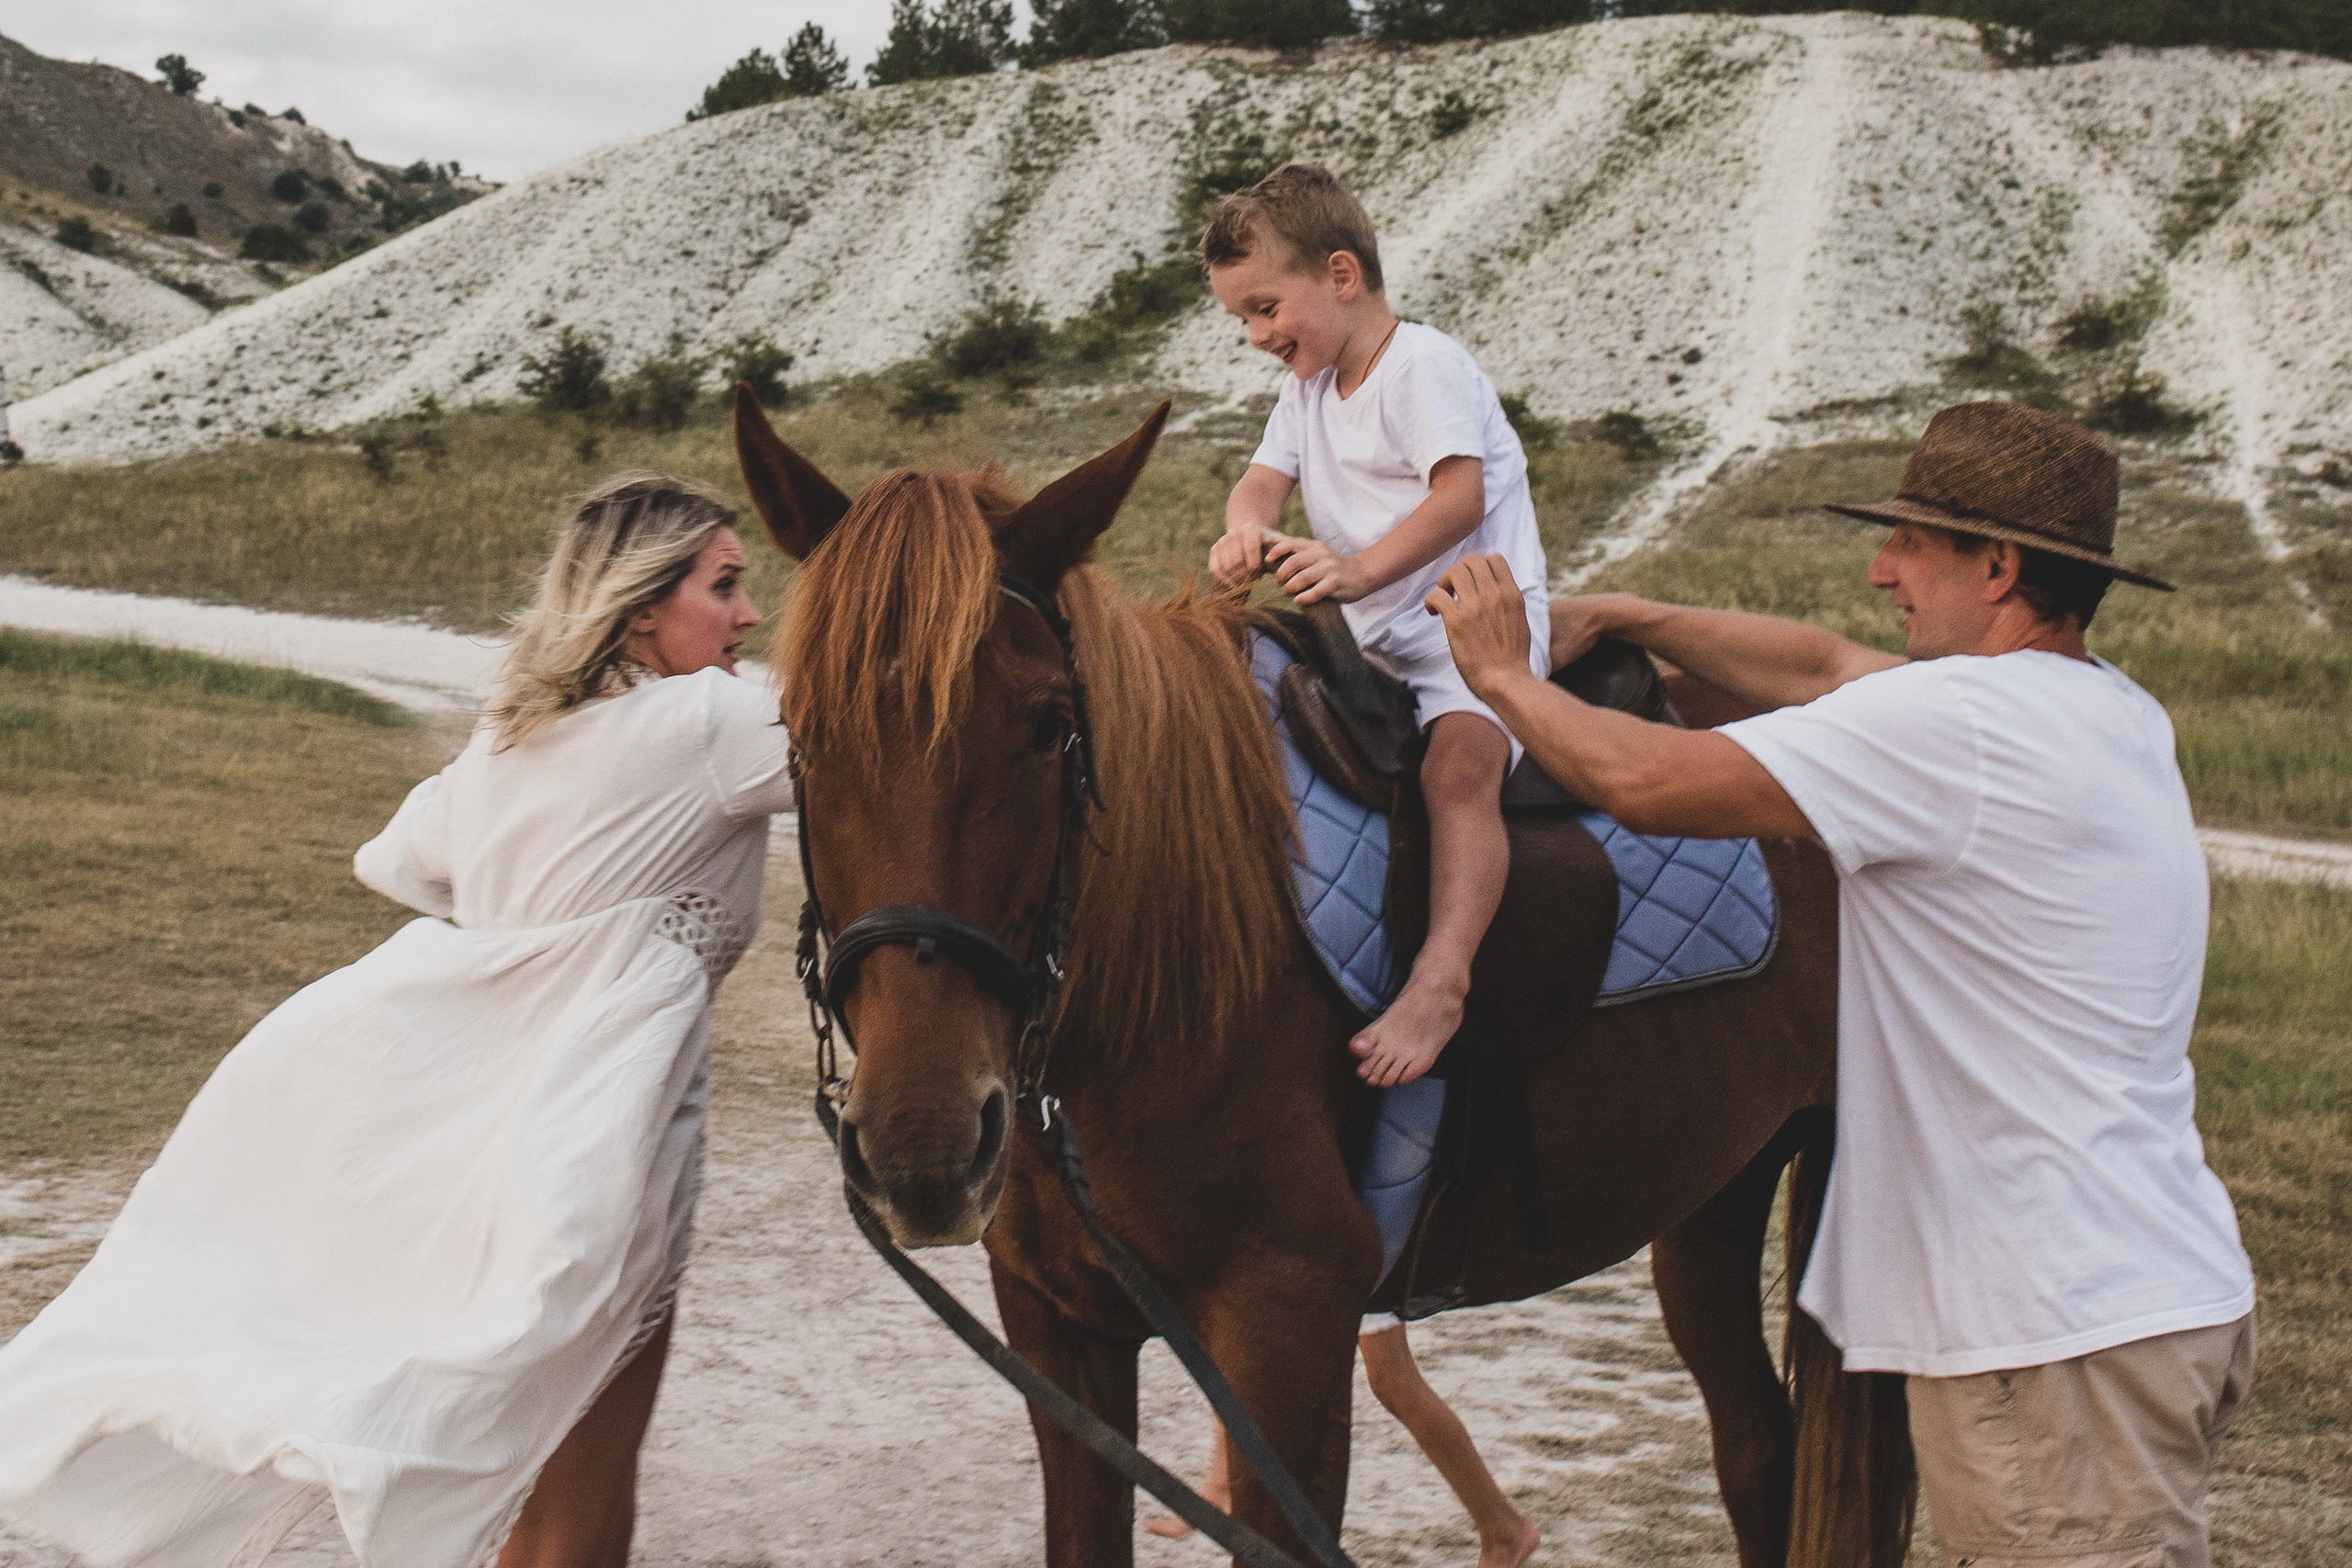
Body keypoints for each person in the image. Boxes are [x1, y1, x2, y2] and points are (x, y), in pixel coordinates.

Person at [1429, 400, 2256, 1568]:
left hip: (2046, 1336)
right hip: (2149, 1297)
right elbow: (1821, 664)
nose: (1880, 572)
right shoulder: (2108, 710)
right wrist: (1626, 615)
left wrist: (1500, 674)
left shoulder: (1955, 726)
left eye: (1911, 544)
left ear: (1999, 563)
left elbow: (1645, 782)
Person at [0, 472, 790, 1568]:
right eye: (726, 585)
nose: (751, 616)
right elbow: (915, 735)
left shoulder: (509, 733)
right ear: (644, 604)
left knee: (543, 1475)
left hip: (471, 1119)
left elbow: (410, 863)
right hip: (599, 1129)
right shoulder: (712, 720)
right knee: (576, 1495)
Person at [1202, 162, 1550, 1091]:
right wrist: (1245, 530)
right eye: (1241, 318)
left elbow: (1459, 494)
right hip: (1370, 637)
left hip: (1471, 630)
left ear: (1342, 276)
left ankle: (1442, 977)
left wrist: (1354, 569)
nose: (1255, 335)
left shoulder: (1421, 365)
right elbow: (1260, 484)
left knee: (1459, 769)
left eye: (1267, 307)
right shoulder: (1307, 389)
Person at [1146, 1317, 1541, 1568]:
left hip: (1350, 1221)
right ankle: (1222, 1484)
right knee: (1244, 1334)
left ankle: (1504, 1530)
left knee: (1392, 1380)